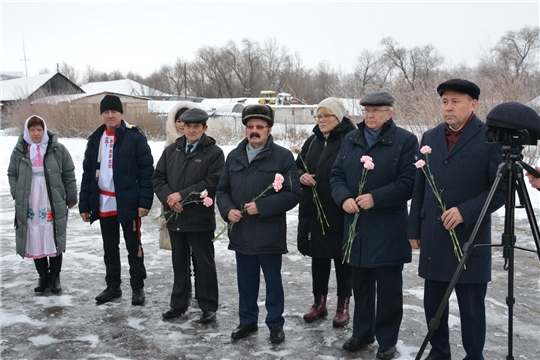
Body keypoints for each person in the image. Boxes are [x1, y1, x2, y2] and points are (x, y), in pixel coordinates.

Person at [408, 79, 506, 360]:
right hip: (435, 236)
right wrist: (414, 227)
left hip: (470, 239)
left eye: (455, 101)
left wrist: (466, 211)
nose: (448, 107)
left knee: (471, 306)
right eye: (444, 102)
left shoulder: (490, 138)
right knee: (433, 303)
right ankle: (439, 352)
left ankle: (474, 355)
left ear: (473, 104)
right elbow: (420, 186)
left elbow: (500, 189)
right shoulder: (429, 137)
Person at [330, 92, 418, 359]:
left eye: (376, 111)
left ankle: (387, 339)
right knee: (361, 284)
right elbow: (336, 175)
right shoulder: (351, 139)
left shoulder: (405, 141)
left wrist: (375, 198)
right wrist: (343, 197)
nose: (370, 115)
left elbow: (410, 182)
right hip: (356, 226)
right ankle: (363, 332)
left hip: (388, 227)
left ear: (390, 113)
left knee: (389, 288)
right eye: (367, 111)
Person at [216, 104, 301, 344]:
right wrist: (228, 209)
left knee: (273, 283)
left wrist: (263, 207)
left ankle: (275, 323)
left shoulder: (283, 157)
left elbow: (293, 193)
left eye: (260, 127)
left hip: (269, 234)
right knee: (246, 281)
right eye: (250, 126)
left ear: (269, 129)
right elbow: (222, 190)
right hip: (241, 233)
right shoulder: (234, 156)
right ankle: (247, 321)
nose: (254, 131)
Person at [79, 94, 154, 306]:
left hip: (128, 201)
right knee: (110, 248)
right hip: (104, 202)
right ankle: (113, 286)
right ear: (102, 114)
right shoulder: (96, 139)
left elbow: (147, 171)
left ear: (121, 114)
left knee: (134, 247)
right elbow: (87, 174)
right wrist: (85, 204)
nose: (110, 115)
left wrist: (144, 202)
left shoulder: (134, 137)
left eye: (114, 112)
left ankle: (137, 287)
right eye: (106, 112)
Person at [152, 108, 224, 323]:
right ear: (182, 126)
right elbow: (158, 178)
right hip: (175, 217)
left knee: (204, 263)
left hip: (199, 218)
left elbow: (212, 183)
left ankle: (208, 305)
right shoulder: (172, 150)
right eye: (188, 126)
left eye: (197, 126)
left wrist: (181, 195)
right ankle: (178, 303)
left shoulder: (214, 153)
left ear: (204, 128)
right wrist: (169, 199)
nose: (192, 130)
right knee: (179, 262)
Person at [296, 97, 355, 327]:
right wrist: (301, 175)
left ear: (338, 117)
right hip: (315, 209)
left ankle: (343, 305)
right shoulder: (312, 141)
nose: (321, 120)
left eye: (326, 116)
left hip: (339, 209)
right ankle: (319, 303)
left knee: (343, 260)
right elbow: (298, 163)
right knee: (318, 258)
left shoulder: (350, 139)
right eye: (318, 116)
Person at [8, 115, 77, 294]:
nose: (36, 133)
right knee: (33, 235)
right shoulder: (19, 151)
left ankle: (55, 277)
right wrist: (16, 191)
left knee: (54, 234)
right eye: (32, 130)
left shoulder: (57, 149)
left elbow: (68, 173)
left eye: (39, 130)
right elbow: (12, 173)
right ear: (27, 131)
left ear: (45, 130)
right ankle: (42, 276)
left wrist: (70, 197)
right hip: (30, 200)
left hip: (51, 198)